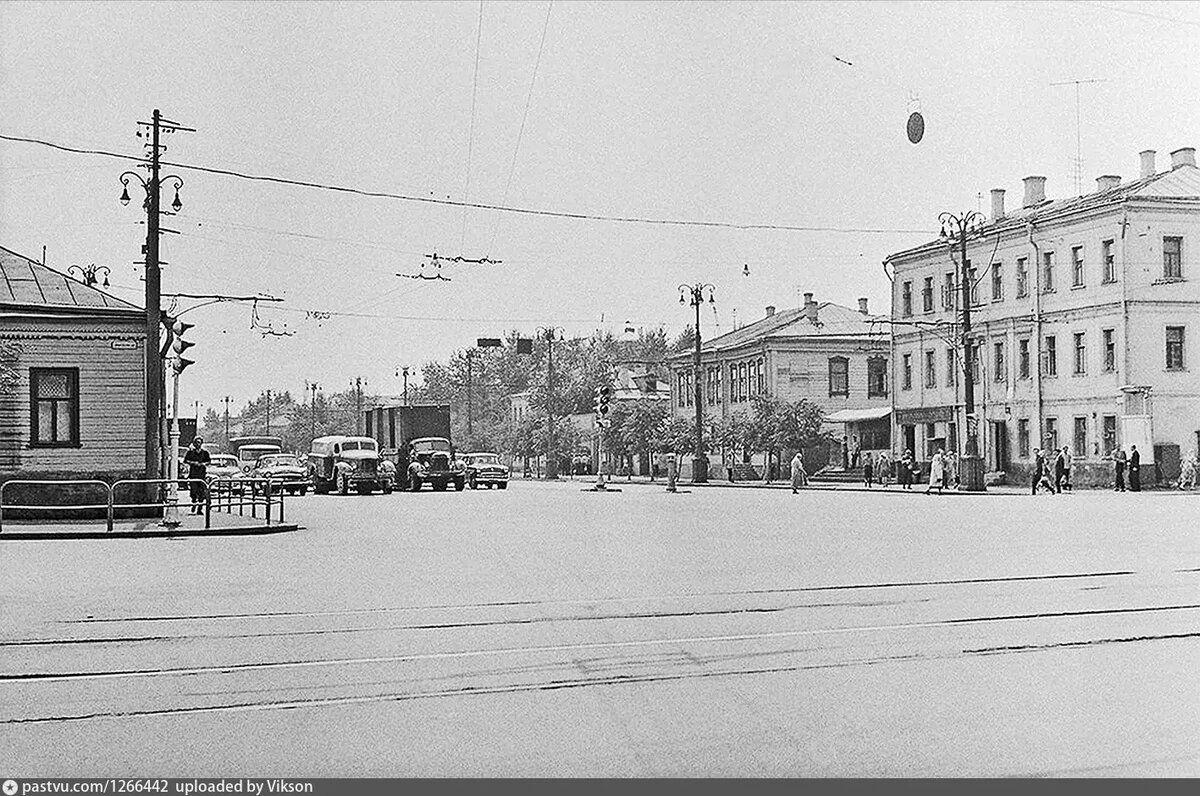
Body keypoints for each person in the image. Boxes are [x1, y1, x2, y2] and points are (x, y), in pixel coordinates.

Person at [183, 436, 211, 515]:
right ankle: (194, 502)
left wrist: (203, 464)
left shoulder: (205, 453)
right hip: (193, 475)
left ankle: (200, 508)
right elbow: (185, 460)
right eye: (196, 442)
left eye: (199, 442)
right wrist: (193, 463)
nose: (198, 444)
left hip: (202, 475)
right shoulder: (190, 452)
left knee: (202, 493)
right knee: (194, 492)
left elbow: (209, 461)